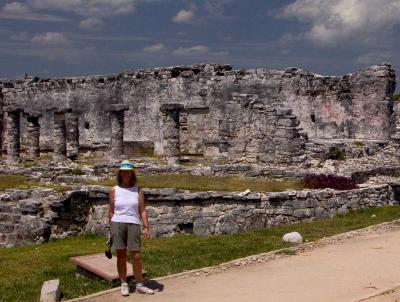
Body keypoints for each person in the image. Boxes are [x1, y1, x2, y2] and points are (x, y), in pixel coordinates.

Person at [108, 160, 154, 296]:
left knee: (136, 255)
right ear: (120, 174)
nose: (126, 175)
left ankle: (139, 283)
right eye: (123, 172)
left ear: (131, 174)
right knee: (121, 255)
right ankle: (123, 283)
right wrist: (111, 227)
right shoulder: (114, 190)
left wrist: (146, 227)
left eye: (128, 172)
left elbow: (143, 210)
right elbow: (111, 210)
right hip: (117, 223)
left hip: (133, 223)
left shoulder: (138, 190)